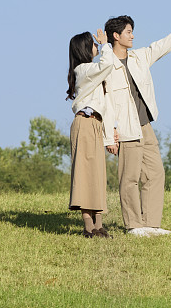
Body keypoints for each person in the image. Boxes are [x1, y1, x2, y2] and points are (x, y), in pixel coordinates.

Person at [103, 15, 171, 237]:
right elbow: (105, 103)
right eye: (128, 32)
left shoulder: (139, 57)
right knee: (130, 178)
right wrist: (110, 132)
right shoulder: (106, 66)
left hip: (145, 126)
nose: (132, 36)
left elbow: (162, 45)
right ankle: (134, 225)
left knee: (155, 173)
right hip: (125, 129)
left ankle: (151, 224)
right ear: (116, 36)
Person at [65, 28, 117, 238]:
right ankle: (89, 226)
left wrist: (109, 135)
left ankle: (98, 225)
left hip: (94, 124)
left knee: (96, 174)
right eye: (93, 44)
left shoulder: (90, 70)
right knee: (86, 175)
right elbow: (108, 64)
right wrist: (106, 44)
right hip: (85, 123)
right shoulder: (84, 69)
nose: (96, 46)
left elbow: (106, 107)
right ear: (85, 48)